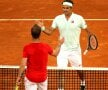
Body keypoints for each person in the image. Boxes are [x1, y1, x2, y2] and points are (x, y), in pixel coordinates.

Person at [37, 0, 91, 90]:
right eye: (63, 8)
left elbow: (88, 31)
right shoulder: (58, 18)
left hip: (75, 50)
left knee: (79, 70)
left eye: (67, 8)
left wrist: (90, 40)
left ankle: (83, 82)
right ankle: (60, 88)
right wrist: (42, 27)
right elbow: (50, 31)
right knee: (60, 71)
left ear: (71, 8)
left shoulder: (79, 18)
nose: (64, 9)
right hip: (62, 50)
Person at [16, 24, 64, 90]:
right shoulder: (46, 46)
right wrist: (59, 44)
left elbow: (23, 65)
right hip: (42, 78)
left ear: (31, 34)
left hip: (31, 78)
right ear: (40, 34)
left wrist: (19, 77)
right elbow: (55, 53)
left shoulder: (27, 48)